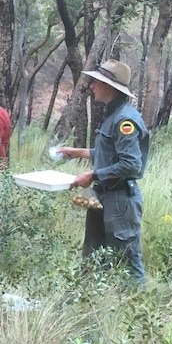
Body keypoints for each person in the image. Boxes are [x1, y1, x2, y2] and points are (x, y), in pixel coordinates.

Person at [57, 59, 149, 286]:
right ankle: (89, 305)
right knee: (93, 254)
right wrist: (77, 152)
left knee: (126, 259)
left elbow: (131, 165)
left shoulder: (124, 120)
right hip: (102, 197)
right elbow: (109, 152)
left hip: (120, 201)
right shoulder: (113, 114)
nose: (92, 86)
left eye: (96, 82)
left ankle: (136, 307)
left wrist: (93, 176)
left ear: (110, 86)